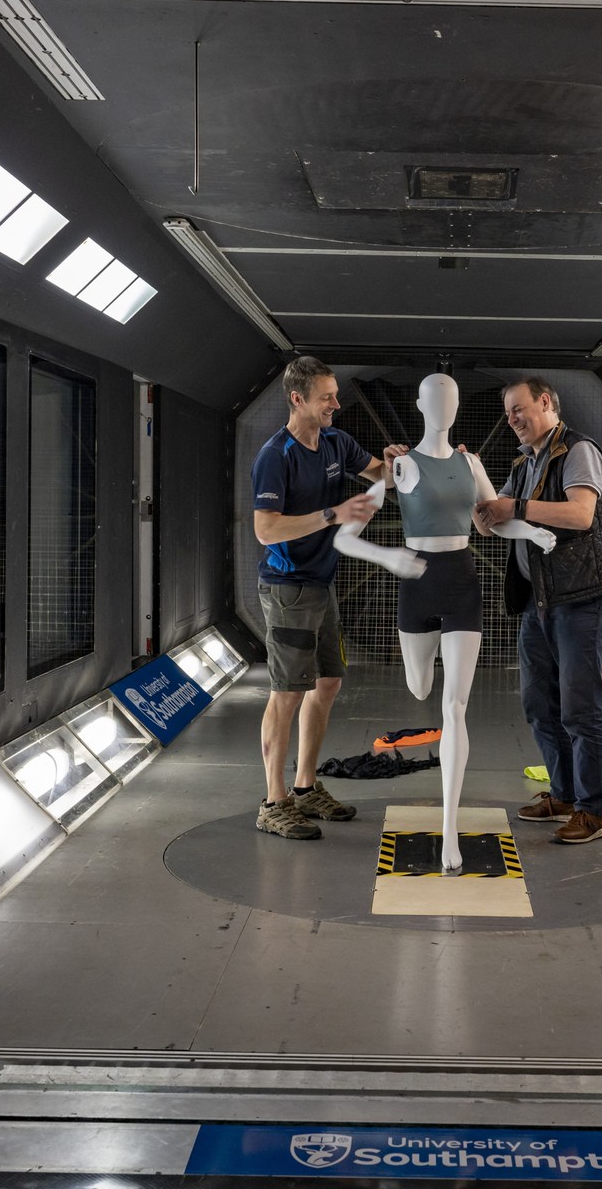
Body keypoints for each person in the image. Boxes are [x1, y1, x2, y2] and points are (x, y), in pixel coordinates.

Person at [338, 373, 554, 871]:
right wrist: (391, 559)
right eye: (435, 399)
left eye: (452, 399)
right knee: (419, 688)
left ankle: (450, 828)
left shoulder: (470, 462)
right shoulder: (400, 466)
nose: (444, 407)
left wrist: (533, 532)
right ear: (418, 405)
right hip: (416, 583)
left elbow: (494, 517)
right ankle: (421, 667)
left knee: (454, 707)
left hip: (462, 582)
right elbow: (345, 538)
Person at [249, 356, 409, 840]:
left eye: (336, 394)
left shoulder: (337, 441)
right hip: (288, 588)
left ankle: (305, 787)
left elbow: (382, 475)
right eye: (327, 398)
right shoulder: (275, 456)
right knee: (288, 692)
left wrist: (396, 463)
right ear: (297, 399)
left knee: (327, 684)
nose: (337, 404)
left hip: (322, 586)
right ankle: (273, 802)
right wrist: (331, 514)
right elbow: (265, 529)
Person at [474, 376, 602, 845]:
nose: (513, 420)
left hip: (580, 599)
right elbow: (495, 520)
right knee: (540, 704)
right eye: (508, 414)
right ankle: (561, 794)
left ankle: (592, 811)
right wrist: (479, 499)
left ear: (545, 402)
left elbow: (580, 515)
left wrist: (513, 506)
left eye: (518, 409)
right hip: (539, 603)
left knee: (580, 708)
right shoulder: (525, 463)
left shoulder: (578, 451)